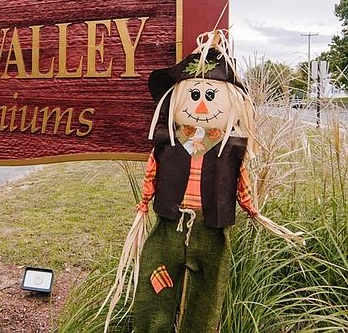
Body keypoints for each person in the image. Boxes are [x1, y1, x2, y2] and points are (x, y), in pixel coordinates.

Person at [100, 30, 302, 333]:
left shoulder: (230, 149)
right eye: (194, 96)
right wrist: (143, 204)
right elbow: (152, 172)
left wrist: (252, 209)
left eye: (210, 97)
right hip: (169, 223)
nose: (203, 107)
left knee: (207, 293)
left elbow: (241, 180)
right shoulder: (168, 142)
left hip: (212, 228)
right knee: (156, 280)